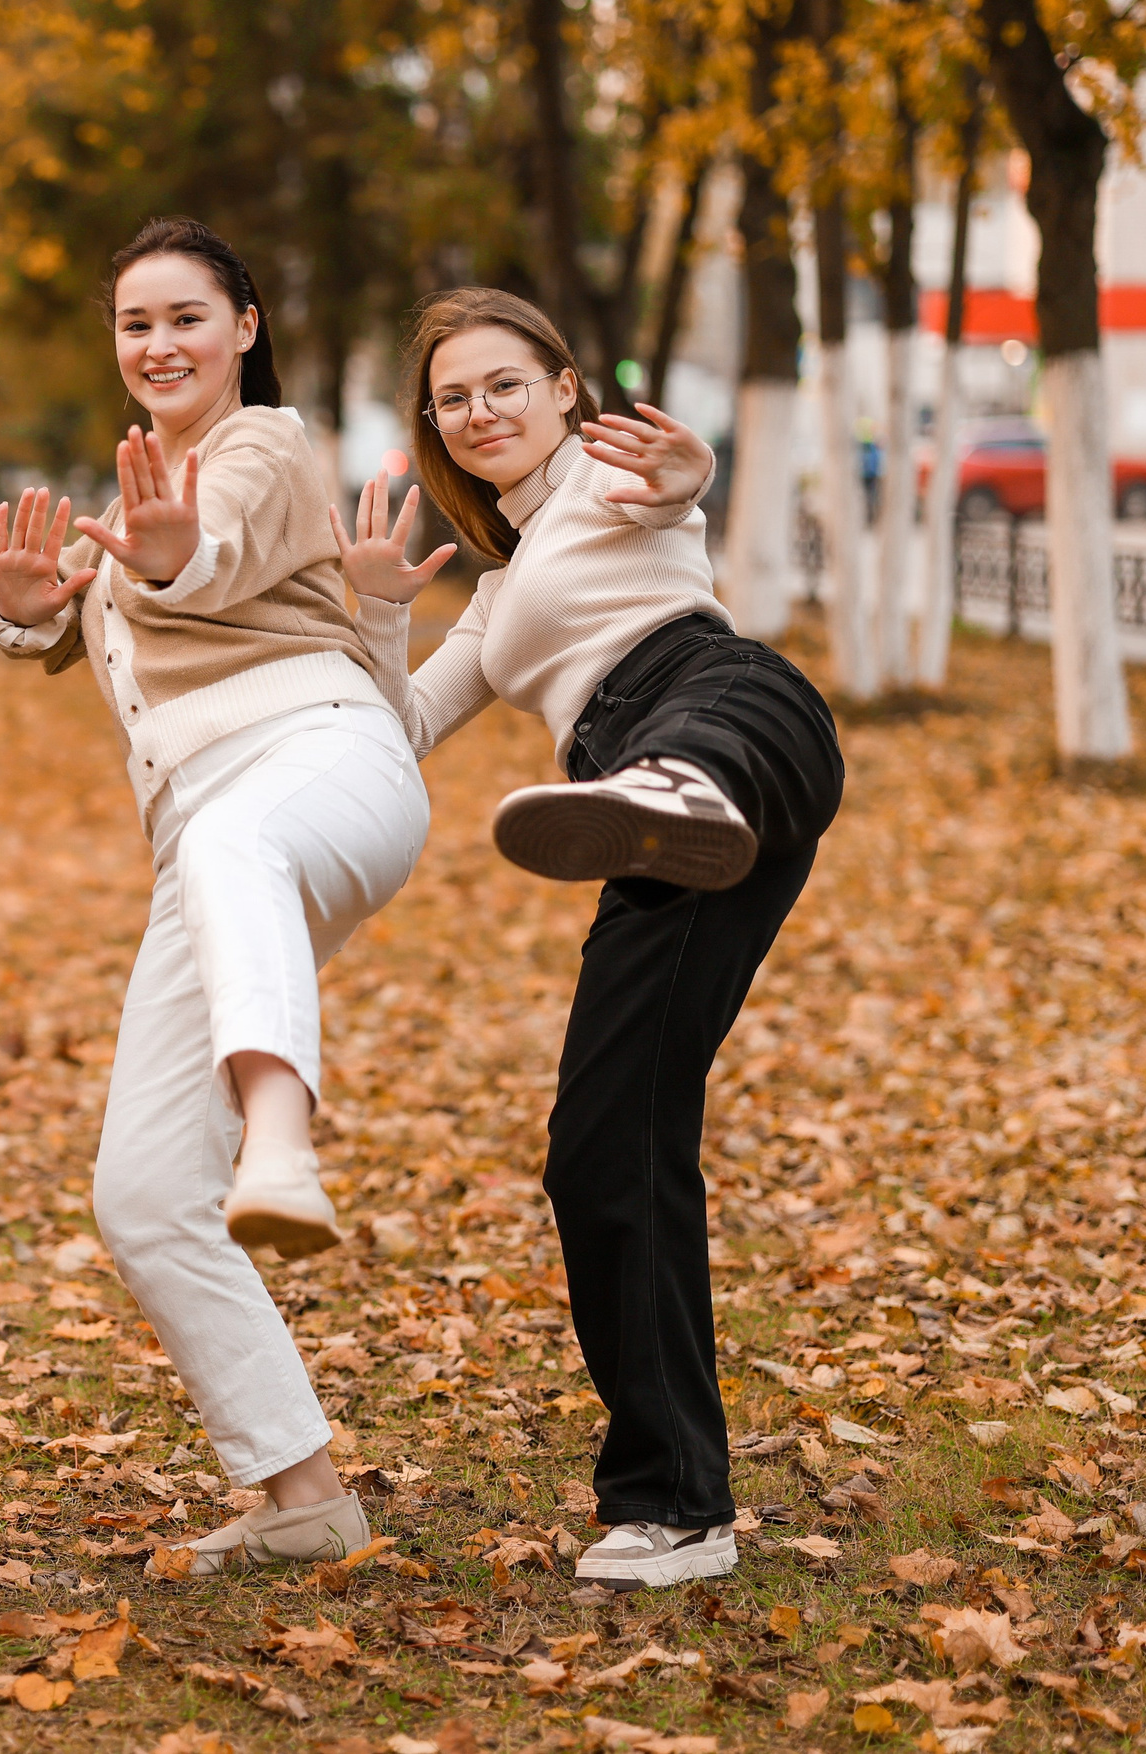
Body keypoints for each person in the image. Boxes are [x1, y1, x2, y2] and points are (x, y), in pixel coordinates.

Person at [339, 286, 844, 1590]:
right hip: (643, 817)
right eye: (453, 398)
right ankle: (678, 1505)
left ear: (567, 389)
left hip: (732, 709)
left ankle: (681, 788)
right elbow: (397, 728)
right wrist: (381, 612)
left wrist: (692, 473)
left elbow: (675, 487)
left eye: (505, 383)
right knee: (602, 1143)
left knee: (692, 744)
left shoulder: (611, 488)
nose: (479, 412)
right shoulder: (497, 598)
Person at [0, 217, 428, 1578]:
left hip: (316, 762)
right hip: (207, 837)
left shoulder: (260, 446)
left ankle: (281, 1139)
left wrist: (168, 557)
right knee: (145, 1188)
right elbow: (64, 619)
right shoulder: (140, 491)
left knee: (232, 843)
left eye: (187, 317)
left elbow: (210, 552)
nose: (160, 344)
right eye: (137, 324)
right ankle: (303, 1493)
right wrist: (16, 608)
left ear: (244, 328)